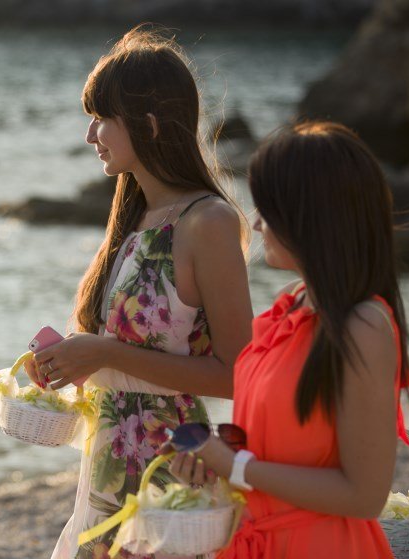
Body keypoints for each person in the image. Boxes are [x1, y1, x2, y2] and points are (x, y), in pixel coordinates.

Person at [25, 25, 253, 559]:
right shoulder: (135, 217)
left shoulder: (208, 221)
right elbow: (127, 359)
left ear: (148, 124)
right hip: (107, 460)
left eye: (102, 119)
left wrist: (102, 352)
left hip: (170, 467)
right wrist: (67, 364)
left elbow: (239, 374)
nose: (90, 136)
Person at [169, 121, 409, 558]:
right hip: (254, 541)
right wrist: (216, 454)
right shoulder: (291, 308)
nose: (258, 223)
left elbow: (364, 495)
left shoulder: (363, 326)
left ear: (312, 215)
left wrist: (237, 466)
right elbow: (279, 444)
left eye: (270, 209)